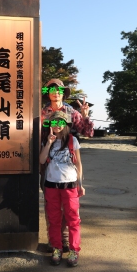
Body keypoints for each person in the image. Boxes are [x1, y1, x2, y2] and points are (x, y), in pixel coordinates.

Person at [41, 78, 93, 252]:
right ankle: (55, 241)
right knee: (52, 204)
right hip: (47, 160)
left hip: (68, 165)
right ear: (47, 93)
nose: (55, 92)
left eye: (59, 90)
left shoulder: (71, 111)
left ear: (63, 93)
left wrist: (85, 117)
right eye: (52, 90)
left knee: (69, 208)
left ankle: (65, 241)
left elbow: (87, 133)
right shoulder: (42, 112)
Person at [39, 111, 85, 267]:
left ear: (66, 124)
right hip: (51, 184)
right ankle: (56, 248)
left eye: (60, 122)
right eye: (54, 122)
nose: (57, 125)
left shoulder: (73, 141)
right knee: (54, 220)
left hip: (70, 184)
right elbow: (41, 159)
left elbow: (78, 163)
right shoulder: (48, 141)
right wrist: (49, 142)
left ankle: (74, 250)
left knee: (73, 219)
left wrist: (80, 183)